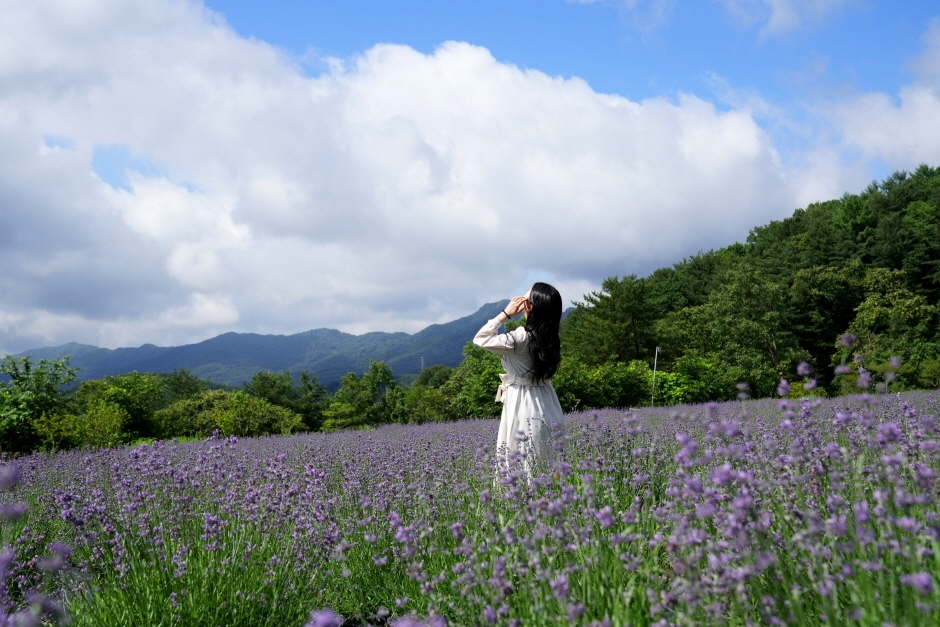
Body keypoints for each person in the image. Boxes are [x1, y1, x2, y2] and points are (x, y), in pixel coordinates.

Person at [473, 282, 565, 477]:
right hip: (548, 402)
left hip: (523, 403)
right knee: (547, 464)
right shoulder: (553, 337)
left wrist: (505, 314)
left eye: (524, 296)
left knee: (520, 462)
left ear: (529, 306)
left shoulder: (520, 338)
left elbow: (480, 339)